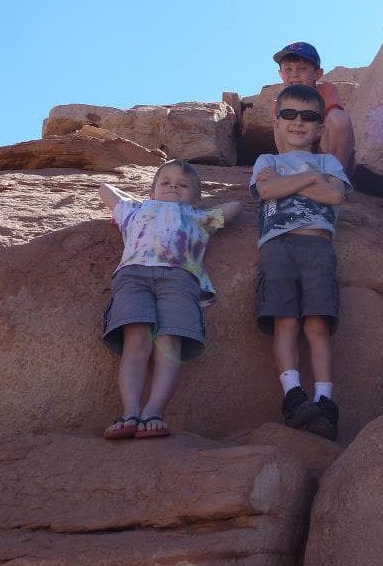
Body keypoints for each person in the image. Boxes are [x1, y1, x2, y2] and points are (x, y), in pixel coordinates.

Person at [99, 160, 242, 439]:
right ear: (151, 191)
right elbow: (105, 189)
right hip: (134, 277)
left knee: (169, 342)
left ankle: (153, 411)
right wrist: (142, 200)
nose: (173, 186)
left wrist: (196, 207)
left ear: (196, 197)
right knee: (136, 339)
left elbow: (235, 207)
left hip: (179, 279)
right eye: (165, 182)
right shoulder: (135, 210)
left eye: (183, 184)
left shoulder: (199, 218)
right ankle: (130, 412)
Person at [250, 84, 352, 440]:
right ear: (276, 123)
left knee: (317, 325)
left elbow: (334, 194)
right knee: (286, 321)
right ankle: (293, 395)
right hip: (278, 247)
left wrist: (296, 180)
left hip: (318, 247)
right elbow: (266, 190)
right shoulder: (267, 161)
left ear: (321, 129)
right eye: (288, 115)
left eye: (308, 117)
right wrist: (310, 179)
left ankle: (325, 399)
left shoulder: (329, 163)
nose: (298, 122)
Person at [271, 41, 356, 174]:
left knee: (338, 118)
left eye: (302, 68)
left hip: (326, 151)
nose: (294, 74)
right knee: (279, 122)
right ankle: (292, 173)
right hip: (298, 151)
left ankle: (335, 178)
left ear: (317, 73)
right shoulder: (281, 101)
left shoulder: (325, 90)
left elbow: (336, 123)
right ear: (281, 74)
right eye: (288, 69)